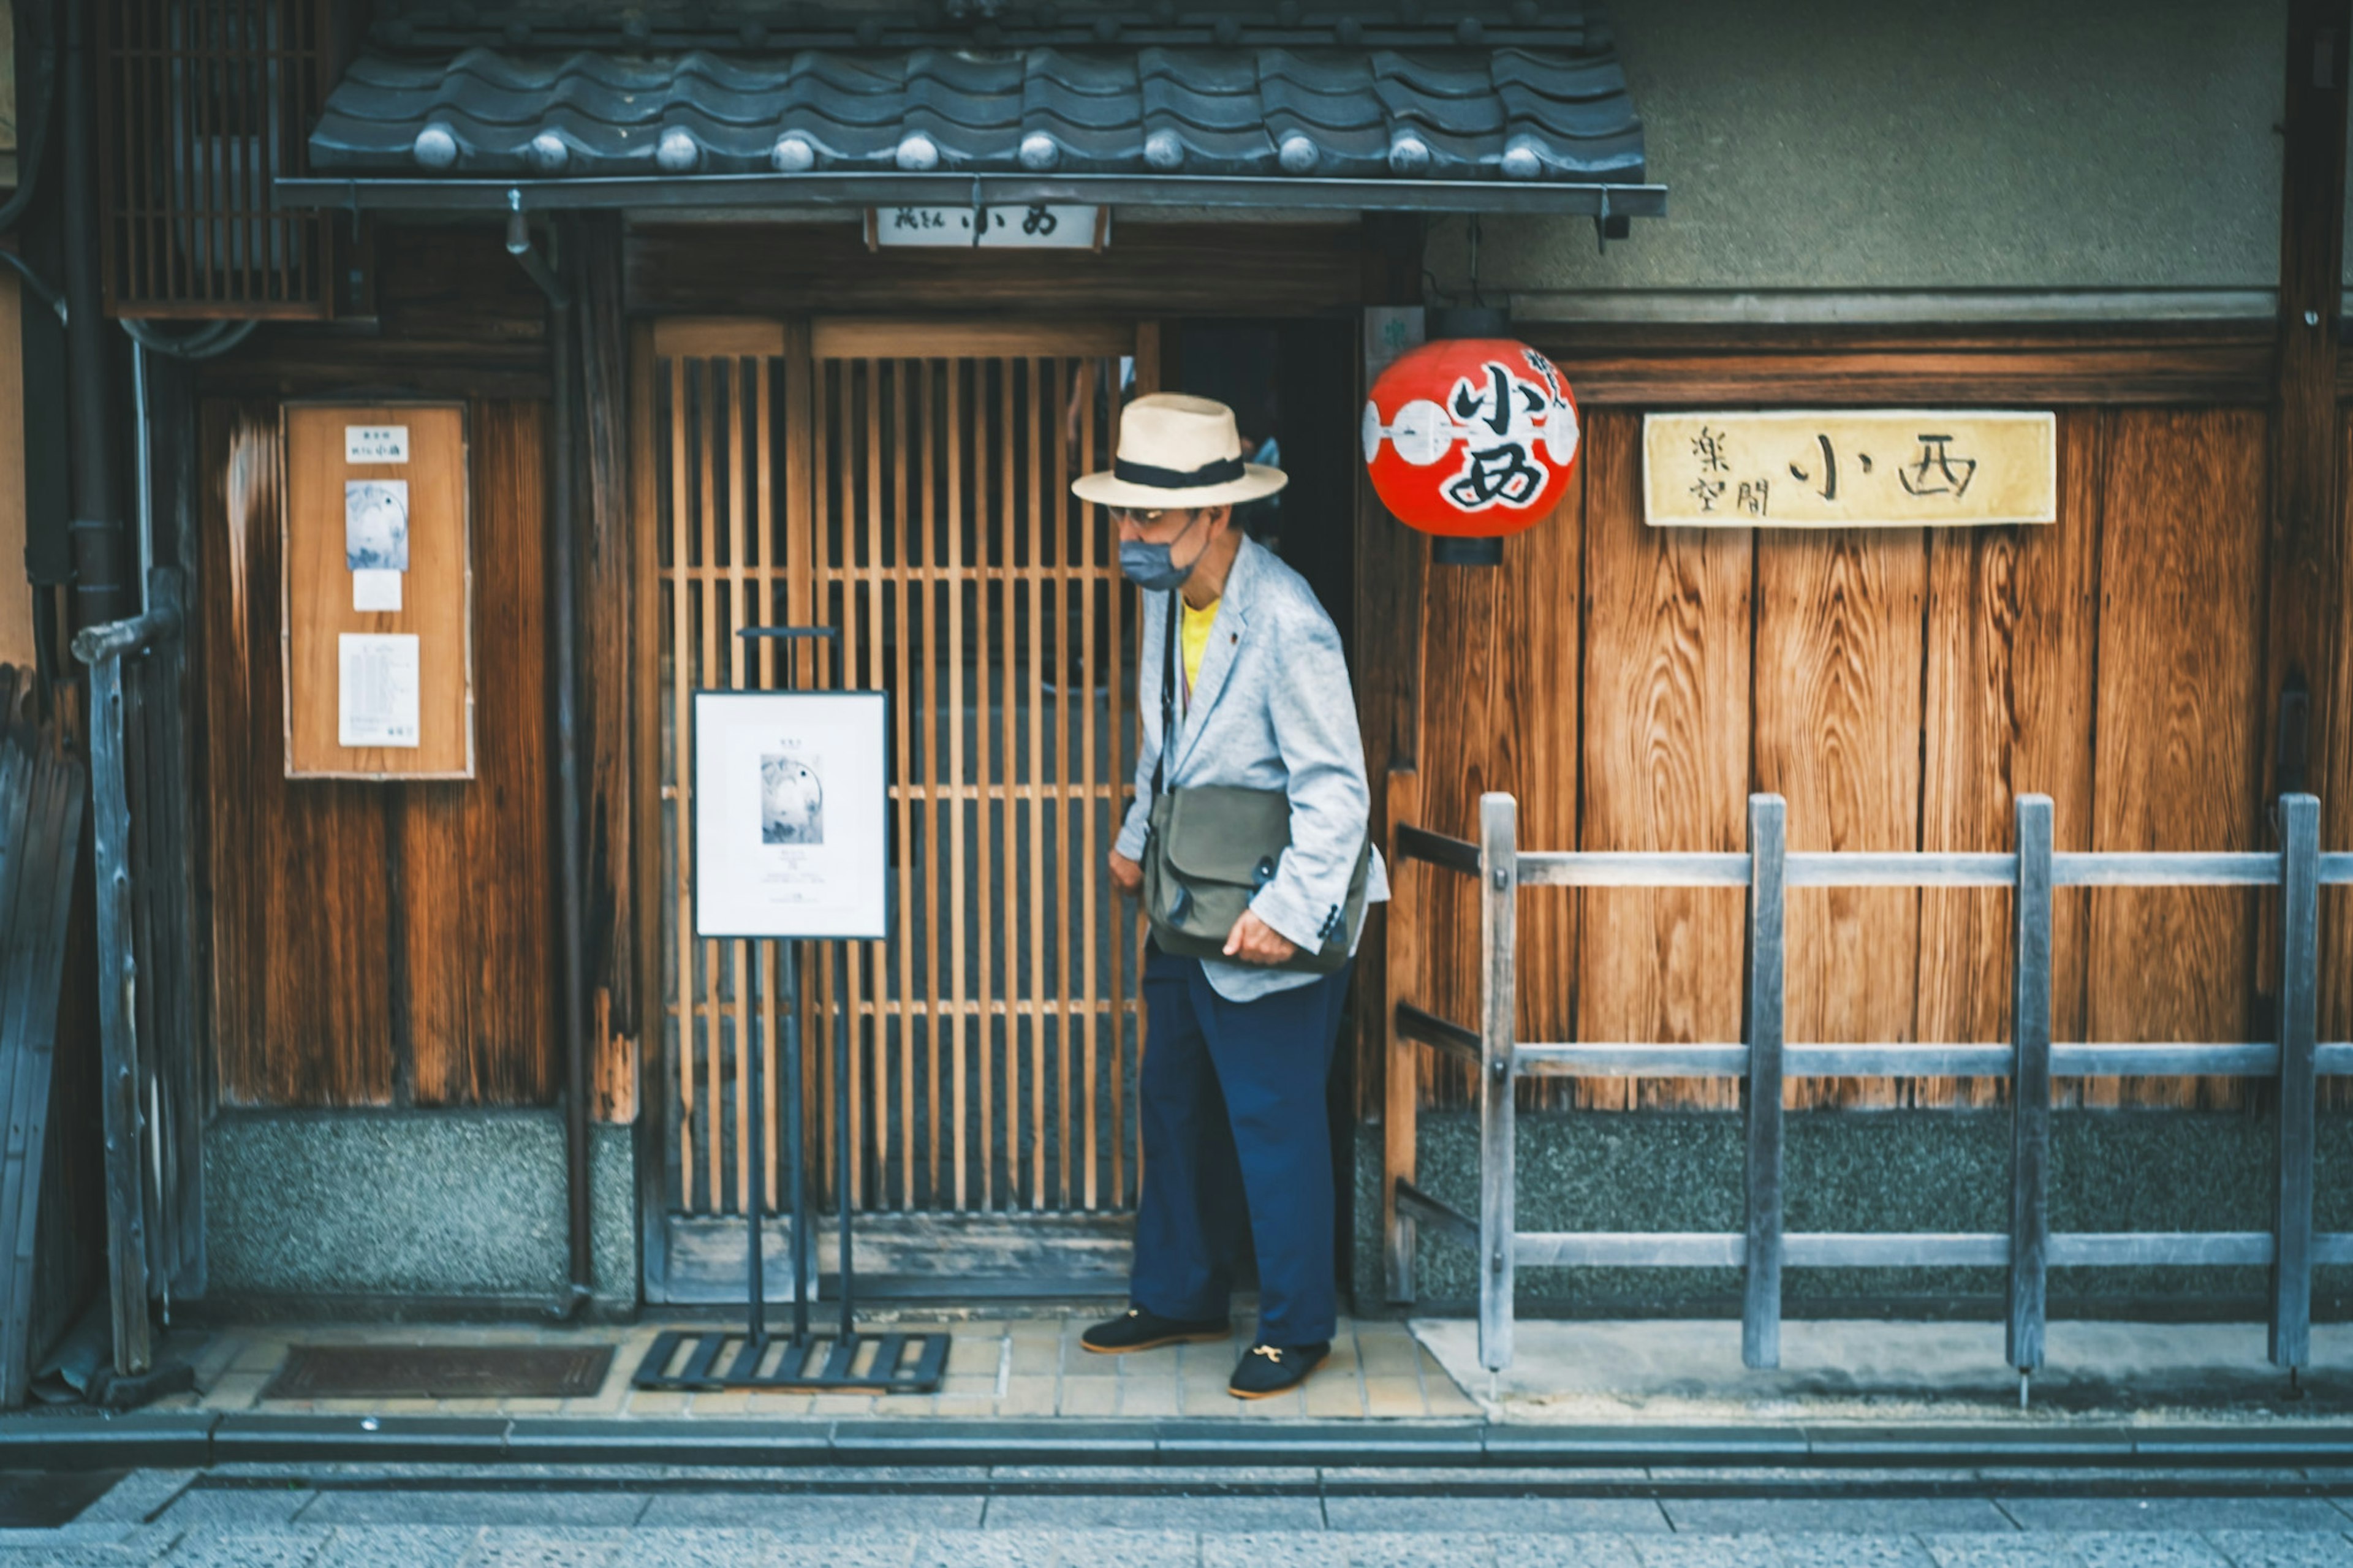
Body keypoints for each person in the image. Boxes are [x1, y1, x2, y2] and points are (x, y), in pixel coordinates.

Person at [1070, 393, 1387, 1399]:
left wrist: (1286, 917)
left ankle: (1296, 1325)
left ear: (1217, 515)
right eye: (1124, 515)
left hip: (1266, 905)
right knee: (1172, 1099)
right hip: (1185, 902)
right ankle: (1180, 1292)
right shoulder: (1169, 599)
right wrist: (1133, 840)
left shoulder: (1289, 621)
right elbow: (1167, 745)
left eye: (1148, 519)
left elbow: (1339, 789)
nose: (1130, 536)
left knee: (1274, 1114)